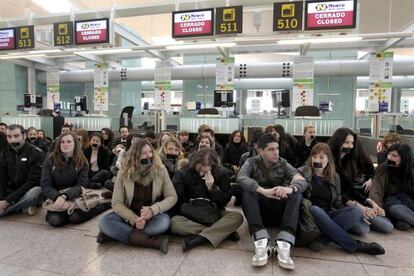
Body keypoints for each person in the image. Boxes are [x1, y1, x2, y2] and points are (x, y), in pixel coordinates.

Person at [298, 143, 385, 255]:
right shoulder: (301, 173)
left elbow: (338, 202)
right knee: (314, 209)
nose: (316, 160)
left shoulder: (335, 177)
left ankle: (323, 238)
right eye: (314, 157)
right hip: (310, 216)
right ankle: (356, 245)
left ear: (328, 159)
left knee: (356, 211)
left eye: (321, 157)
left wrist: (354, 211)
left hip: (329, 214)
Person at [237, 133, 306, 270]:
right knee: (246, 190)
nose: (276, 152)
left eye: (277, 148)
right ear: (261, 150)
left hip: (279, 213)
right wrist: (261, 190)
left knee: (296, 194)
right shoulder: (251, 162)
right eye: (271, 149)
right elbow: (241, 177)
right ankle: (261, 241)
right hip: (259, 213)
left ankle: (284, 243)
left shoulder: (283, 163)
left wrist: (290, 189)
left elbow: (301, 181)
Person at [98, 139, 177, 253]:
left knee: (163, 223)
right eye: (143, 153)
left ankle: (116, 234)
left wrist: (153, 210)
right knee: (104, 222)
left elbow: (172, 196)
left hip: (151, 217)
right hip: (128, 215)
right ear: (135, 156)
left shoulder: (161, 169)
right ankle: (153, 242)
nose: (148, 156)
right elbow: (116, 203)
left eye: (150, 152)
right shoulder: (124, 171)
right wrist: (134, 219)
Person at [171, 148, 243, 252]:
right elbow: (177, 199)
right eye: (199, 169)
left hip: (212, 213)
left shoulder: (221, 173)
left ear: (213, 167)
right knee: (175, 224)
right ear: (194, 163)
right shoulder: (183, 173)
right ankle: (222, 232)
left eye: (205, 171)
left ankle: (200, 238)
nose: (201, 173)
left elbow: (225, 200)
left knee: (237, 217)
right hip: (190, 213)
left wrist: (212, 188)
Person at [328, 127, 393, 234]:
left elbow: (351, 190)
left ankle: (363, 215)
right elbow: (340, 195)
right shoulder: (329, 161)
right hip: (337, 203)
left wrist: (371, 203)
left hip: (354, 199)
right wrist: (360, 208)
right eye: (346, 142)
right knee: (362, 229)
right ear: (338, 142)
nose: (350, 146)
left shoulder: (350, 160)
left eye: (352, 143)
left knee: (387, 227)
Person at [41, 132, 110, 227]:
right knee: (55, 220)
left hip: (75, 195)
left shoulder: (82, 162)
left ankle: (101, 206)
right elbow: (46, 184)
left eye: (69, 141)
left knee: (75, 217)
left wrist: (65, 196)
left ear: (75, 144)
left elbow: (82, 184)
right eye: (62, 142)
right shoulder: (50, 161)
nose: (65, 144)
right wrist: (57, 197)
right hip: (55, 196)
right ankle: (65, 213)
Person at [0, 124, 45, 217]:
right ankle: (23, 206)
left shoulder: (36, 153)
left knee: (34, 193)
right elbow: (2, 178)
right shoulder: (4, 153)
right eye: (9, 137)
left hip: (30, 189)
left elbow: (32, 182)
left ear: (24, 136)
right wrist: (1, 199)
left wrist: (7, 201)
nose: (12, 140)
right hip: (12, 188)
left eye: (16, 136)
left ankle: (7, 210)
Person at [370, 143, 414, 230]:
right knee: (397, 210)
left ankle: (398, 220)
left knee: (404, 224)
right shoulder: (384, 168)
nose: (389, 158)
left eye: (394, 156)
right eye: (389, 154)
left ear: (404, 158)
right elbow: (376, 190)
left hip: (408, 200)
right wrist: (377, 207)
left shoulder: (411, 168)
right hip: (391, 201)